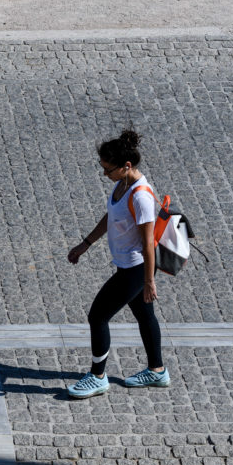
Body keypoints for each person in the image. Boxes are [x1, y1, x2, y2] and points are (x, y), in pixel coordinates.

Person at [66, 129, 169, 399]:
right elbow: (111, 216)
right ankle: (157, 371)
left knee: (98, 316)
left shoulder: (141, 197)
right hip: (129, 265)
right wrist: (85, 244)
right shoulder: (122, 184)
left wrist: (148, 282)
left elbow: (148, 244)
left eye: (108, 169)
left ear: (126, 166)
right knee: (145, 316)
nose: (104, 174)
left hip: (136, 268)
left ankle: (97, 376)